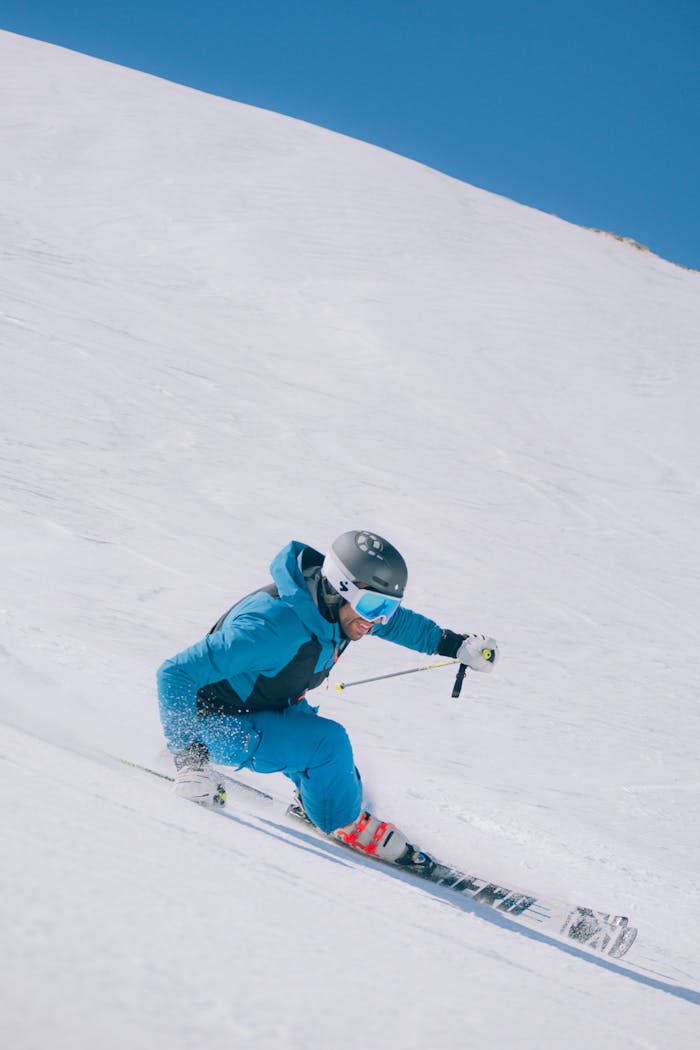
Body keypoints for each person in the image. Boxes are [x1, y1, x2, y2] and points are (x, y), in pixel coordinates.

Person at [157, 530, 499, 869]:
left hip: (266, 704)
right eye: (373, 606)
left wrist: (454, 645)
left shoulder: (336, 610)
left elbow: (397, 625)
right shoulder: (269, 628)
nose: (377, 619)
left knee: (338, 769)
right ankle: (343, 822)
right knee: (327, 746)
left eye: (388, 606)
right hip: (212, 725)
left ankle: (326, 803)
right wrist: (189, 761)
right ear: (340, 587)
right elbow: (175, 673)